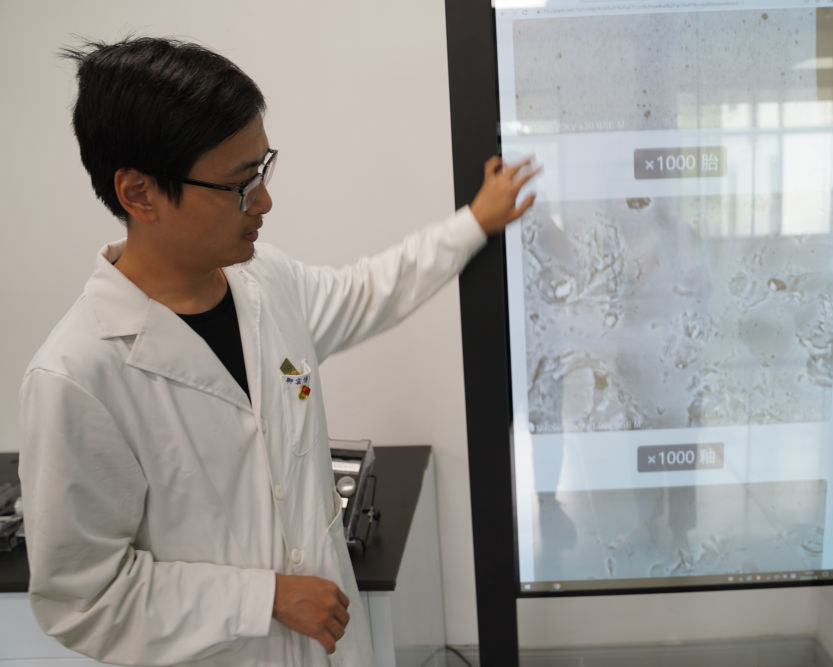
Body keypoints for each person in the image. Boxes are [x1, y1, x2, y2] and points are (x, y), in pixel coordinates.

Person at [18, 36, 536, 666]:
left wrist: (474, 222)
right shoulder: (77, 375)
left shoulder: (266, 282)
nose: (264, 201)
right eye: (240, 184)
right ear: (140, 193)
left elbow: (370, 290)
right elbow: (85, 598)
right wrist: (262, 597)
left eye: (263, 169)